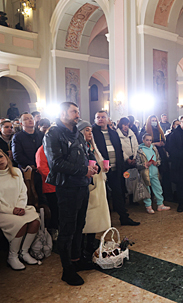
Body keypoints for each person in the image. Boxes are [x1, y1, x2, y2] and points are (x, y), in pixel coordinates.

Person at [43, 102, 98, 286]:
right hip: (67, 187)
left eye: (78, 111)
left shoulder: (77, 133)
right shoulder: (53, 134)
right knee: (67, 229)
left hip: (81, 185)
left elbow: (83, 154)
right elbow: (56, 163)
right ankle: (67, 270)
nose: (77, 114)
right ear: (62, 113)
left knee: (79, 225)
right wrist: (84, 170)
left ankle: (76, 260)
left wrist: (91, 166)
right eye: (74, 111)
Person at [92, 110, 140, 226]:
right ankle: (102, 221)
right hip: (100, 170)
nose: (100, 119)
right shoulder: (92, 132)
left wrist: (121, 167)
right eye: (98, 117)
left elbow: (119, 150)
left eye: (103, 117)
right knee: (102, 195)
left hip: (115, 168)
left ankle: (124, 217)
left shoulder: (113, 133)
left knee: (118, 194)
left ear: (108, 119)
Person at [0, 149, 40, 270]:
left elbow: (23, 192)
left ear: (6, 158)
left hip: (19, 207)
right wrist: (11, 211)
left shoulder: (16, 172)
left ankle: (24, 252)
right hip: (3, 211)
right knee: (20, 223)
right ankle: (12, 256)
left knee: (35, 221)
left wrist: (20, 206)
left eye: (0, 157)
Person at [77, 120, 111, 259]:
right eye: (86, 130)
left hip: (98, 185)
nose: (89, 133)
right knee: (88, 217)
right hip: (89, 186)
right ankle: (82, 247)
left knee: (97, 216)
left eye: (90, 130)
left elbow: (98, 163)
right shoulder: (79, 148)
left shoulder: (92, 147)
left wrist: (104, 167)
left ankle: (91, 243)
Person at [140, 115, 172, 202]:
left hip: (161, 153)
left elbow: (164, 141)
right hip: (150, 153)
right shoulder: (145, 131)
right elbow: (142, 144)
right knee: (153, 176)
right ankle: (152, 197)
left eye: (155, 120)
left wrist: (162, 143)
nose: (154, 122)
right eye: (152, 120)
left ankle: (164, 195)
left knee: (164, 173)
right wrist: (156, 144)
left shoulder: (159, 130)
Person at [136, 133, 170, 213]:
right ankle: (148, 206)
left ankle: (160, 204)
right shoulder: (140, 150)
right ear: (143, 140)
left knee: (158, 188)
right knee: (147, 190)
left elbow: (159, 160)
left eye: (150, 140)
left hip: (154, 172)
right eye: (147, 140)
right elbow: (137, 164)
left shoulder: (154, 149)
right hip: (145, 173)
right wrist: (144, 165)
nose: (149, 142)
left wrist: (156, 163)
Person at [35, 144, 59, 237]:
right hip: (50, 185)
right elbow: (42, 168)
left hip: (63, 185)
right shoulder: (42, 149)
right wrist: (58, 179)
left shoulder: (58, 147)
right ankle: (53, 231)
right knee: (54, 209)